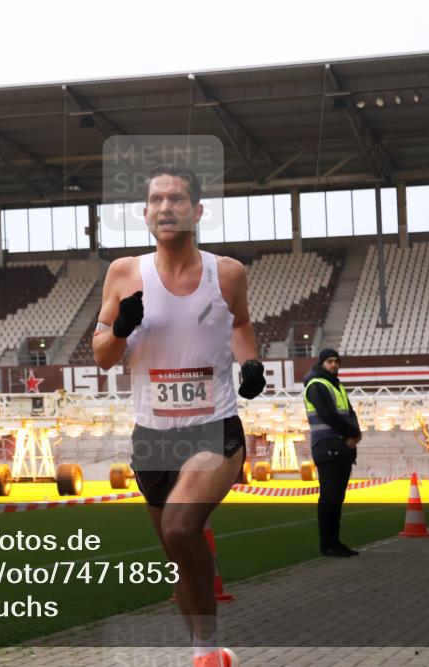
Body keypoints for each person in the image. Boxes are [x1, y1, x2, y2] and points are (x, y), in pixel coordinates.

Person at [93, 164, 266, 667]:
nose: (165, 207)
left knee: (179, 528)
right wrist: (120, 328)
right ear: (145, 213)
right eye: (156, 199)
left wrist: (250, 363)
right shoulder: (124, 273)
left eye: (177, 199)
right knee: (178, 560)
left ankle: (209, 652)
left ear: (198, 211)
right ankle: (204, 648)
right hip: (152, 437)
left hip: (214, 428)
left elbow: (241, 323)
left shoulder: (227, 273)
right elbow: (102, 356)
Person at [303, 347, 361, 557]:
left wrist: (355, 434)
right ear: (321, 363)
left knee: (336, 498)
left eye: (336, 361)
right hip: (327, 445)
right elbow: (328, 415)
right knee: (330, 497)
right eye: (330, 361)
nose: (334, 365)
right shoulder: (316, 384)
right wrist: (351, 433)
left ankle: (334, 542)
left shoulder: (336, 386)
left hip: (340, 446)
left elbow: (350, 413)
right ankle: (328, 544)